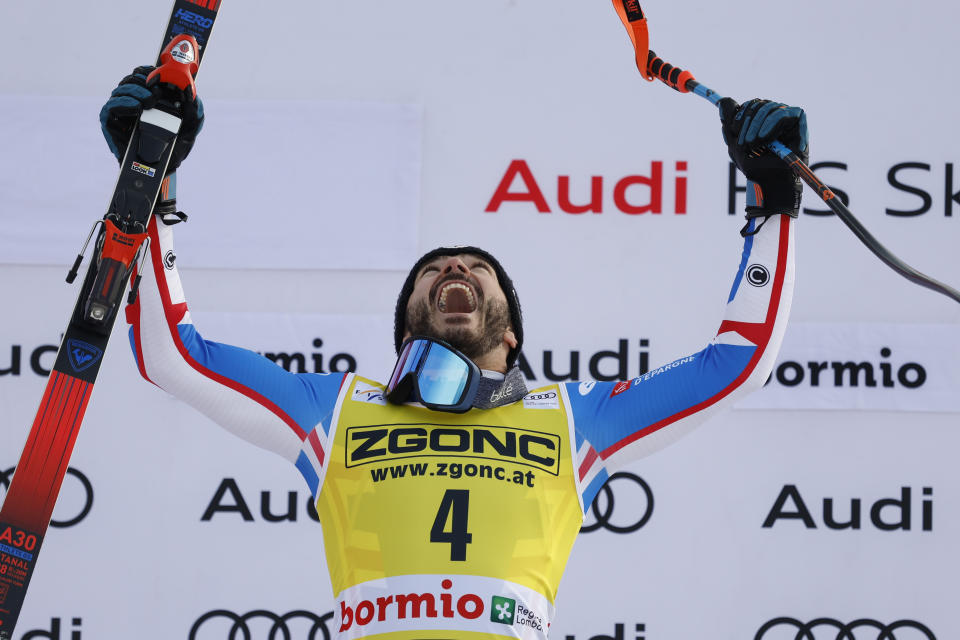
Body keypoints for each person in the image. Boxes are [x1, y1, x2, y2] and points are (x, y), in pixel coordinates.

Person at [101, 67, 807, 639]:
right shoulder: (338, 410)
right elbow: (173, 355)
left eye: (475, 267)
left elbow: (737, 361)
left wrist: (772, 204)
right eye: (433, 273)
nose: (454, 272)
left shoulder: (571, 420)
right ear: (407, 331)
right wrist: (150, 190)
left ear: (511, 335)